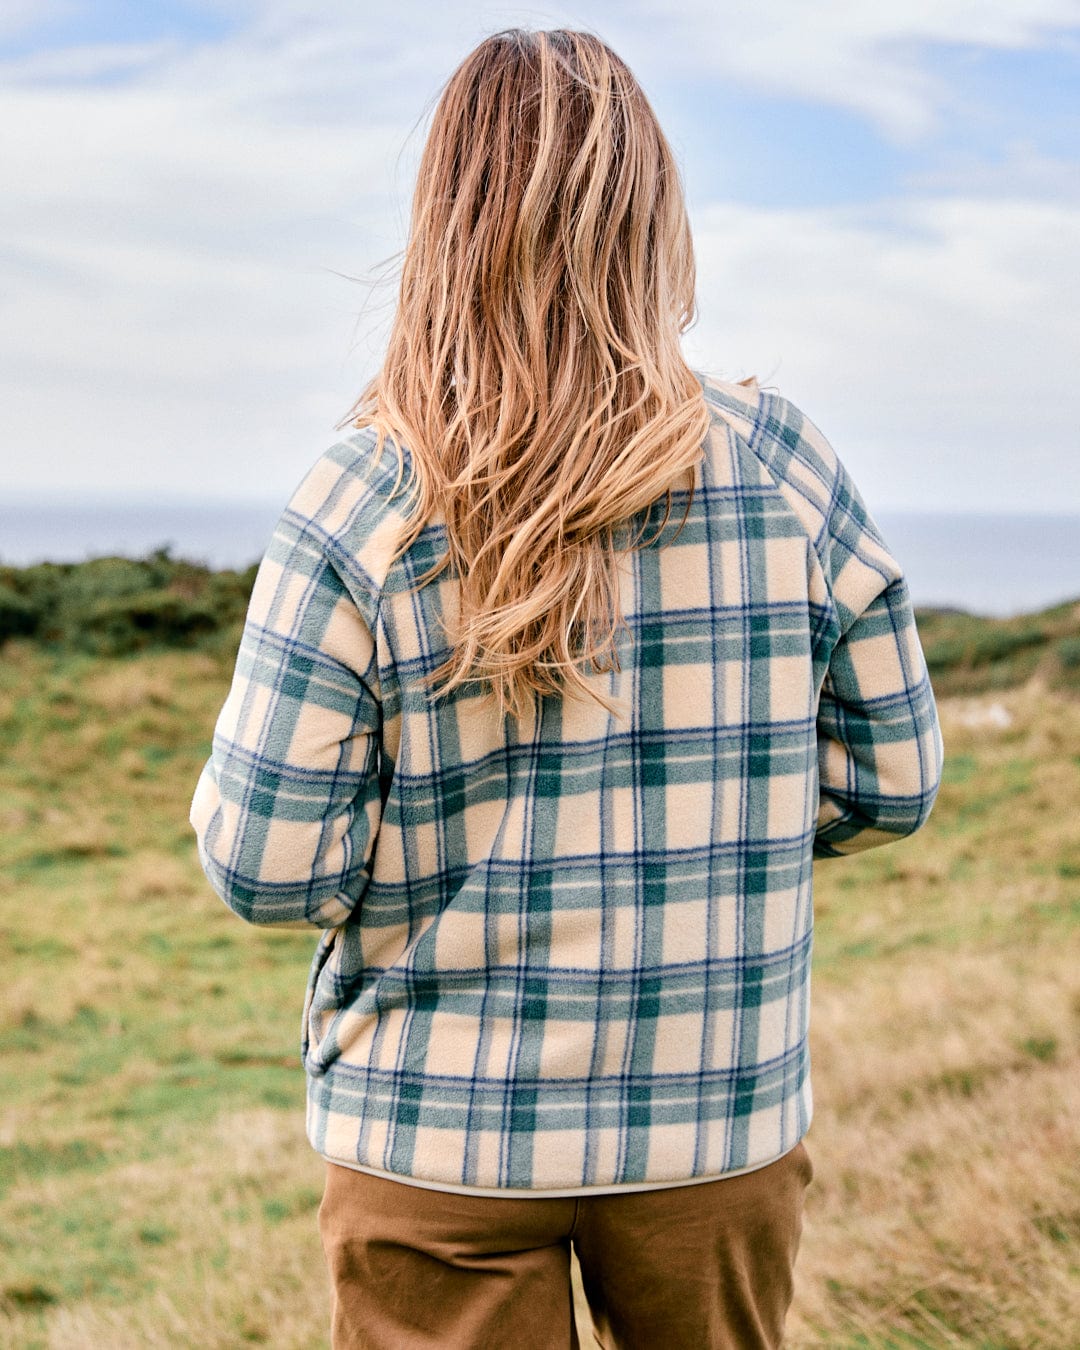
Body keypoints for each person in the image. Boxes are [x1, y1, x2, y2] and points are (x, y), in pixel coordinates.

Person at [190, 27, 943, 1350]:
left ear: (443, 218)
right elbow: (894, 780)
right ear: (653, 215)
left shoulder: (359, 496)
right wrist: (730, 830)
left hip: (432, 1140)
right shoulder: (786, 467)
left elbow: (266, 864)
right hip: (716, 1121)